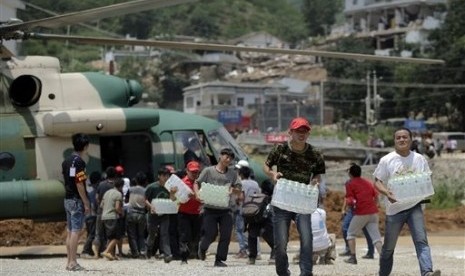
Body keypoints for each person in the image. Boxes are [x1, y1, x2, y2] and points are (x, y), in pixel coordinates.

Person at [374, 127, 441, 276]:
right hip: (395, 208)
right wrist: (386, 192)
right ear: (395, 141)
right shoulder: (386, 160)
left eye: (405, 137)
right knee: (388, 248)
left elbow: (427, 178)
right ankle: (383, 273)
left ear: (411, 140)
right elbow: (377, 182)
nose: (402, 140)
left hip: (414, 206)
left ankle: (427, 272)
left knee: (421, 241)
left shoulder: (419, 159)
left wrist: (425, 189)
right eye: (399, 138)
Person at [263, 117, 325, 276]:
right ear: (291, 132)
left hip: (302, 202)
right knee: (281, 242)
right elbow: (266, 165)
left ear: (308, 134)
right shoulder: (280, 149)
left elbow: (318, 174)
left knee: (306, 238)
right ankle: (283, 272)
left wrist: (316, 181)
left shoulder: (315, 154)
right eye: (298, 131)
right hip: (282, 201)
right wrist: (273, 174)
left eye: (305, 131)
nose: (302, 134)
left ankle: (306, 272)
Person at [194, 148, 242, 267]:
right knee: (211, 233)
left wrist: (233, 190)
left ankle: (219, 259)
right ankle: (203, 248)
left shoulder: (233, 173)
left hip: (226, 209)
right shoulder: (208, 171)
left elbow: (239, 188)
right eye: (227, 156)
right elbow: (196, 183)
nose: (229, 159)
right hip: (210, 209)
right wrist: (197, 194)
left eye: (231, 158)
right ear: (220, 156)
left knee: (226, 235)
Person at [62, 133, 91, 271]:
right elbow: (79, 183)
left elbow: (68, 180)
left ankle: (69, 261)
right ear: (85, 146)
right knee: (76, 231)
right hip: (76, 200)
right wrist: (86, 202)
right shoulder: (80, 162)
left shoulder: (66, 161)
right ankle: (73, 262)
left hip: (67, 199)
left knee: (69, 231)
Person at [343, 163, 383, 265]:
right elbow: (376, 195)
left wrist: (350, 206)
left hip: (361, 212)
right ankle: (383, 258)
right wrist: (376, 205)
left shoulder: (350, 183)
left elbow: (349, 199)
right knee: (376, 237)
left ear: (350, 174)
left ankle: (353, 257)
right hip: (373, 212)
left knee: (350, 234)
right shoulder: (368, 182)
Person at [239, 166, 275, 265]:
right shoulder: (269, 200)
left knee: (252, 236)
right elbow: (269, 214)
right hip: (265, 223)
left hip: (252, 219)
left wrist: (246, 224)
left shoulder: (256, 197)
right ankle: (274, 257)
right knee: (274, 239)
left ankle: (252, 258)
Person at [145, 166, 177, 263]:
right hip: (153, 215)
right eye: (163, 175)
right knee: (152, 235)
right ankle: (148, 250)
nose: (165, 177)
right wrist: (151, 207)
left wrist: (172, 193)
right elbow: (145, 200)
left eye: (167, 175)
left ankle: (168, 254)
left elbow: (172, 200)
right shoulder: (152, 187)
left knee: (164, 234)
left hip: (165, 214)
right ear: (159, 176)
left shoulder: (170, 187)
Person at [178, 161, 202, 264]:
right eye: (192, 171)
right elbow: (176, 199)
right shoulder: (181, 183)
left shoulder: (201, 183)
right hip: (184, 213)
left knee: (197, 235)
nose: (194, 174)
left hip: (197, 213)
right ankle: (184, 257)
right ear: (187, 171)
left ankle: (196, 254)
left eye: (196, 172)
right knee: (184, 235)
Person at [100, 178, 124, 261]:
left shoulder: (107, 193)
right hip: (112, 217)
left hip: (104, 216)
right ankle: (106, 251)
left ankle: (111, 255)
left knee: (110, 237)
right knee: (117, 237)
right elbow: (117, 208)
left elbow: (101, 205)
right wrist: (121, 213)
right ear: (121, 186)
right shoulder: (118, 194)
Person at [125, 171, 148, 259]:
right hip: (141, 214)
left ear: (136, 180)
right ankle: (142, 251)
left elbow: (126, 201)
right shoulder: (146, 190)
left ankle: (135, 252)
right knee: (141, 234)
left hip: (131, 213)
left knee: (132, 235)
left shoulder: (130, 189)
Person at [80, 171, 101, 259]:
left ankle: (89, 250)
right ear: (98, 181)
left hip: (87, 215)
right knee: (92, 234)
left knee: (89, 233)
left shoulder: (88, 190)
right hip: (93, 215)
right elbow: (95, 204)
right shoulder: (95, 191)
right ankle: (85, 250)